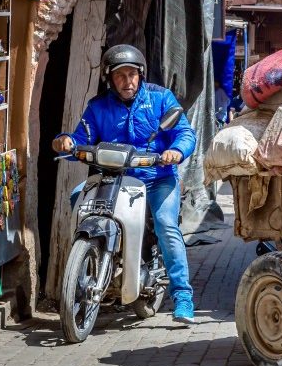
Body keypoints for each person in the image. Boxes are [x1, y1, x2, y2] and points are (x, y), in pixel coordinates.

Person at [52, 44, 198, 324]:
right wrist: (66, 141)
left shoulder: (161, 98)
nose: (127, 81)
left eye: (132, 74)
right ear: (110, 78)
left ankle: (182, 296)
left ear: (141, 75)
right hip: (113, 178)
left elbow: (184, 132)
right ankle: (93, 260)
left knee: (167, 225)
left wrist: (176, 151)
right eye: (120, 75)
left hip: (157, 179)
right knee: (76, 197)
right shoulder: (98, 107)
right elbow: (80, 135)